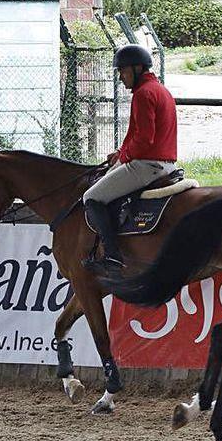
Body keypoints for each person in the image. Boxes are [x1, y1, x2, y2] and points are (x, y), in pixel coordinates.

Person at [82, 43, 178, 273]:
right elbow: (135, 134)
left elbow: (144, 139)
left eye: (123, 71)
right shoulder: (159, 89)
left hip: (147, 164)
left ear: (137, 69)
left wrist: (123, 157)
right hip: (164, 163)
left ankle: (113, 255)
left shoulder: (144, 94)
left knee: (91, 197)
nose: (121, 77)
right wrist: (119, 154)